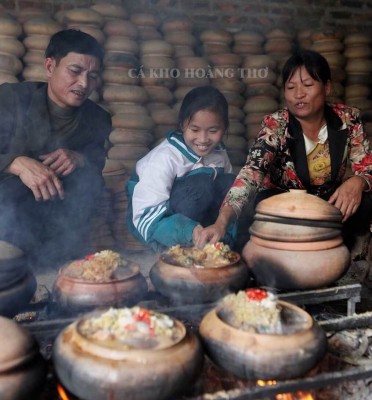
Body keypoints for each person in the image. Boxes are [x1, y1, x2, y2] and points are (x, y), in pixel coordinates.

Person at [194, 49, 372, 252]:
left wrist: (359, 182)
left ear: (327, 87)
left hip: (325, 203)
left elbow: (367, 166)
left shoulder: (347, 120)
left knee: (365, 202)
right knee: (279, 219)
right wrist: (221, 221)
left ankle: (345, 250)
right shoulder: (276, 125)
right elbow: (251, 173)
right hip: (284, 205)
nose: (298, 94)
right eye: (291, 87)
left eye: (307, 85)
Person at [0, 29, 112, 268]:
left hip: (55, 224)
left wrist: (80, 159)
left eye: (93, 75)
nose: (84, 83)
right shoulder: (12, 99)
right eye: (75, 71)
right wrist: (15, 163)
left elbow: (96, 171)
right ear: (50, 66)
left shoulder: (97, 119)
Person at [127, 85, 237, 251]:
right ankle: (183, 246)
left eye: (213, 130)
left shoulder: (219, 153)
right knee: (201, 186)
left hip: (200, 217)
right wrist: (190, 231)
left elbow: (228, 196)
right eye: (195, 129)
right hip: (157, 221)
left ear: (224, 128)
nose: (203, 139)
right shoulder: (164, 158)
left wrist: (222, 228)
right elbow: (145, 215)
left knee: (233, 185)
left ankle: (219, 244)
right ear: (182, 125)